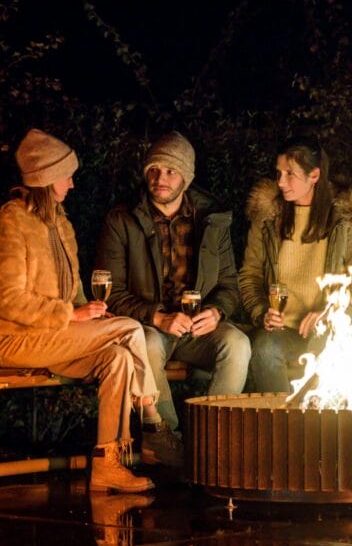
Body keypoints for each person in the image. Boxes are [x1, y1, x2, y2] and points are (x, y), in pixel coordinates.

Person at [0, 128, 158, 493]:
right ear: (47, 178)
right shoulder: (10, 221)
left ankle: (108, 465)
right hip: (18, 340)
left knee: (118, 360)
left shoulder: (60, 223)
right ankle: (152, 413)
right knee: (131, 330)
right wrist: (70, 315)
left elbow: (73, 290)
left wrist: (89, 312)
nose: (73, 184)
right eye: (68, 175)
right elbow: (8, 300)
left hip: (56, 338)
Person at [96, 132, 250, 469]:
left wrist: (216, 311)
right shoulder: (122, 220)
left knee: (237, 344)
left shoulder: (212, 219)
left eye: (171, 171)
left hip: (197, 328)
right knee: (147, 344)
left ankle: (213, 440)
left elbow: (229, 285)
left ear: (186, 177)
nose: (160, 179)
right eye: (154, 169)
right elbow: (113, 293)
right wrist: (157, 316)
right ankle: (167, 439)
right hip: (151, 327)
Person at [239, 139, 352, 393]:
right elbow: (250, 275)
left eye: (290, 174)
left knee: (326, 345)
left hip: (331, 327)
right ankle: (281, 426)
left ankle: (319, 426)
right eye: (279, 173)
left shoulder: (345, 220)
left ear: (314, 175)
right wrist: (262, 312)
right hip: (282, 331)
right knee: (263, 349)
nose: (280, 182)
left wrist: (330, 311)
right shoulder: (267, 218)